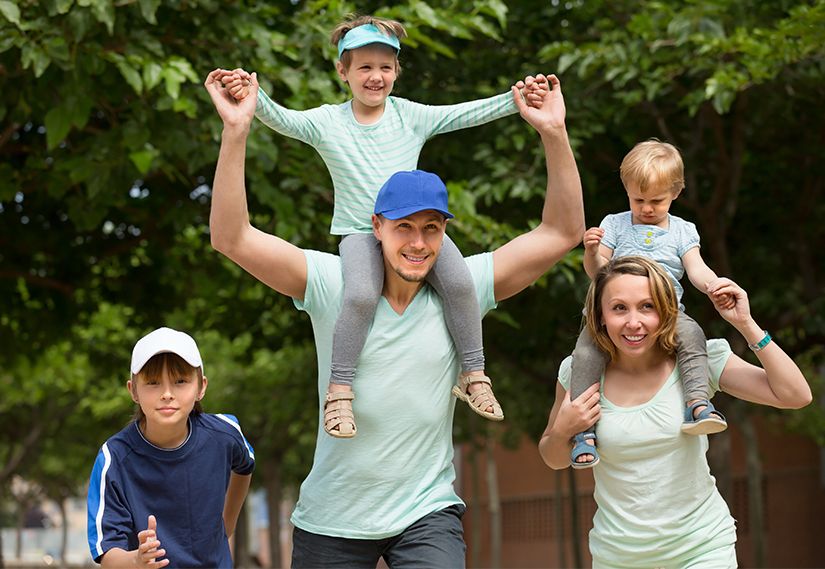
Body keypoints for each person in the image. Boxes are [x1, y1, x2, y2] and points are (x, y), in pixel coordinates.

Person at [204, 64, 583, 567]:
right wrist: (236, 132)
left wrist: (554, 132)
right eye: (404, 227)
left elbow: (562, 232)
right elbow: (232, 238)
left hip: (427, 513)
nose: (418, 242)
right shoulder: (334, 282)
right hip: (332, 518)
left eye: (431, 228)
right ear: (377, 227)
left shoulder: (464, 289)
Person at [215, 14, 549, 436]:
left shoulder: (410, 116)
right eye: (365, 67)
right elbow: (284, 119)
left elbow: (464, 114)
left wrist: (517, 99)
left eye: (386, 67)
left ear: (396, 71)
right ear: (343, 71)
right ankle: (339, 391)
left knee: (461, 284)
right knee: (358, 295)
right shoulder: (327, 122)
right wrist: (252, 95)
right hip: (360, 234)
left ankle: (474, 374)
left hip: (412, 229)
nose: (376, 76)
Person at [539, 256, 811, 568]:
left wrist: (746, 324)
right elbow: (553, 458)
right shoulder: (578, 374)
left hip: (702, 549)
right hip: (618, 557)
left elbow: (795, 395)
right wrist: (563, 430)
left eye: (647, 306)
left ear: (666, 310)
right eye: (619, 308)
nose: (633, 322)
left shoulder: (697, 363)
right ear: (600, 316)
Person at [570, 139, 734, 469]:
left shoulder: (682, 231)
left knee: (693, 336)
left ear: (676, 192)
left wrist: (713, 285)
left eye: (656, 201)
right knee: (585, 355)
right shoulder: (614, 224)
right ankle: (583, 432)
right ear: (626, 191)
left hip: (664, 313)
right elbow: (598, 273)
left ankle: (697, 403)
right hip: (613, 312)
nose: (646, 208)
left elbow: (696, 269)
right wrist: (592, 252)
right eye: (638, 200)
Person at [86, 327, 255, 568]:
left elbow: (245, 465)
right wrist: (137, 559)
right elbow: (108, 554)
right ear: (133, 390)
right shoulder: (113, 458)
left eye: (180, 381)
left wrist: (227, 524)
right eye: (153, 382)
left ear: (201, 387)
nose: (167, 393)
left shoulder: (224, 433)